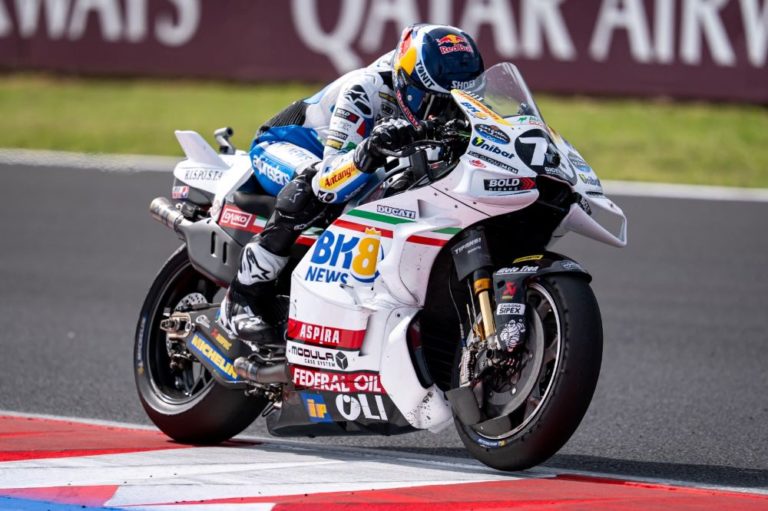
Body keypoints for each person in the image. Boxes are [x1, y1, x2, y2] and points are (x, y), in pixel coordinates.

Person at [219, 23, 485, 341]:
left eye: (458, 103)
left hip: (349, 160)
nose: (446, 113)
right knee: (310, 187)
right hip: (286, 147)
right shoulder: (366, 88)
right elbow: (328, 182)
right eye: (436, 102)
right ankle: (242, 298)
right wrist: (371, 149)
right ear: (408, 83)